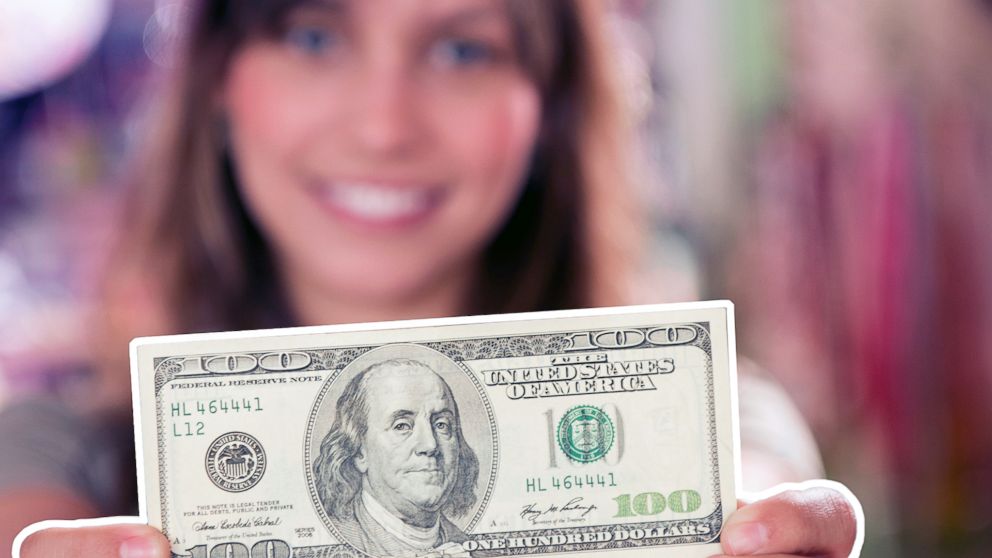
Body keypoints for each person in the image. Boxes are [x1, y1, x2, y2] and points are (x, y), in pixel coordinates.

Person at [1, 0, 860, 557]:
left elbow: (757, 473)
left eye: (461, 49)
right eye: (313, 37)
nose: (384, 127)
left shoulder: (718, 416)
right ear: (220, 81)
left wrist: (762, 528)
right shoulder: (51, 452)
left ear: (549, 107)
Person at [314, 359, 478, 556]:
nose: (430, 445)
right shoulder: (336, 539)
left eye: (442, 424)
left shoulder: (472, 548)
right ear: (358, 450)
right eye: (402, 426)